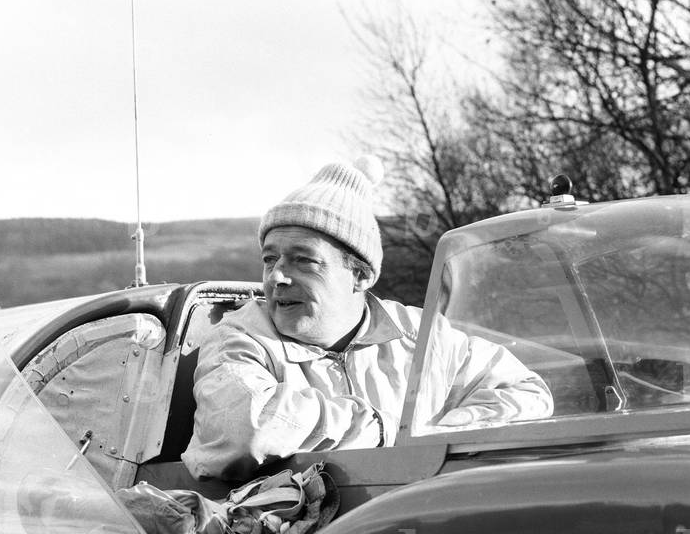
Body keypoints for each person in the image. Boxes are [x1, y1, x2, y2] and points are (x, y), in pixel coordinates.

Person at [181, 156, 553, 480]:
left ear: (360, 275)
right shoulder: (239, 337)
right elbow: (244, 428)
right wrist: (383, 429)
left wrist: (441, 433)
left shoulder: (421, 337)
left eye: (302, 259)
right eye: (269, 258)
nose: (277, 276)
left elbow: (527, 393)